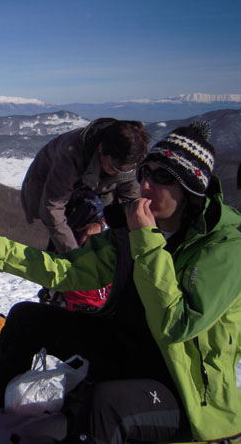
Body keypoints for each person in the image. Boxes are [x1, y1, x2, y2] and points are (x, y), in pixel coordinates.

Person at [0, 122, 241, 442]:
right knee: (26, 318)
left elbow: (176, 325)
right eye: (145, 174)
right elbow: (67, 271)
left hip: (181, 388)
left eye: (163, 177)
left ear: (192, 188)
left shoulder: (224, 250)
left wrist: (146, 238)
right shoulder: (133, 231)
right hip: (126, 349)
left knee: (104, 406)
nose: (147, 186)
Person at [21, 118, 150, 310]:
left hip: (94, 197)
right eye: (114, 168)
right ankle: (57, 292)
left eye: (126, 170)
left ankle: (94, 295)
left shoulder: (128, 159)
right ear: (101, 149)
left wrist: (103, 225)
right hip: (52, 190)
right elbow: (52, 208)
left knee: (98, 231)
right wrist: (76, 257)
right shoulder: (71, 152)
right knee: (68, 239)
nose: (118, 174)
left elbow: (129, 201)